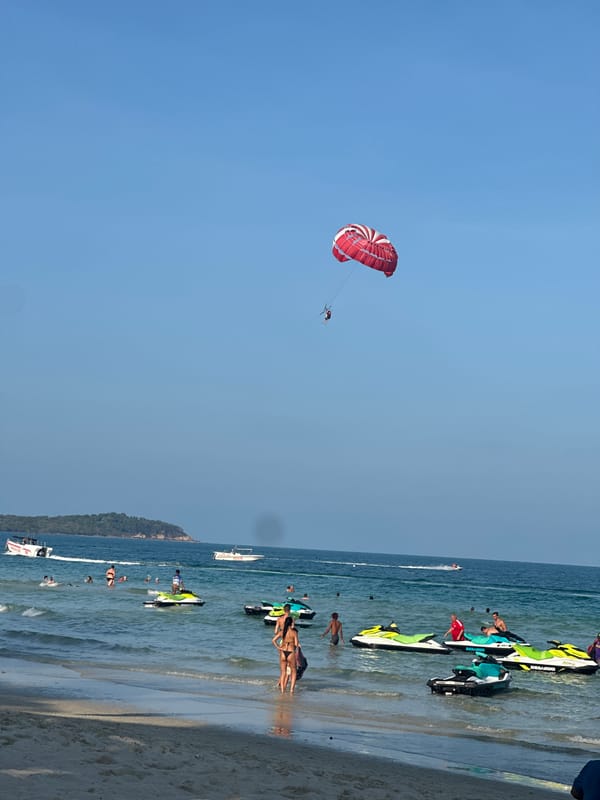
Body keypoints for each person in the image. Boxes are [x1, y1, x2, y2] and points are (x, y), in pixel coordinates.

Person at [272, 609, 299, 694]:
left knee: (283, 672)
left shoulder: (282, 631)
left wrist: (278, 648)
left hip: (283, 652)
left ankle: (283, 691)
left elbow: (273, 640)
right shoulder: (294, 632)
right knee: (293, 672)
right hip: (291, 652)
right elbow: (296, 643)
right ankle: (291, 691)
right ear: (291, 623)